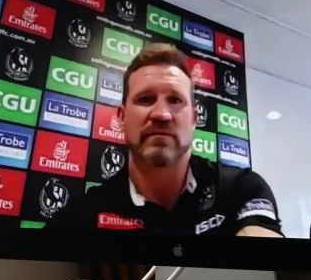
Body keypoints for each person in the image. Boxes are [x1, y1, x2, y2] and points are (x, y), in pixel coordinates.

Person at [50, 43, 283, 238]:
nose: (161, 114)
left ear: (193, 119)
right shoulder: (81, 217)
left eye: (174, 99)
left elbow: (269, 274)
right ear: (121, 117)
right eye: (145, 99)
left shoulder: (242, 189)